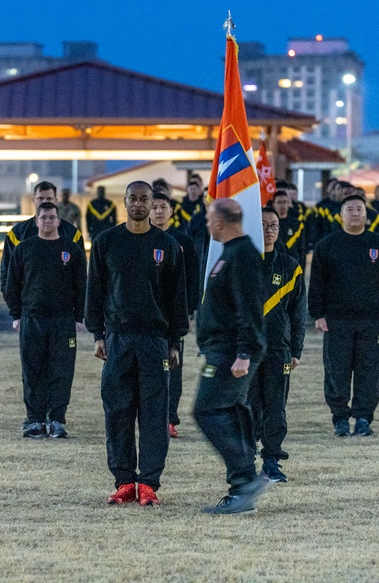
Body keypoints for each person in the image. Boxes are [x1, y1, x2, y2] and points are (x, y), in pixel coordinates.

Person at [86, 181, 188, 508]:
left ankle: (148, 483)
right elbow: (95, 292)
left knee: (154, 413)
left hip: (155, 340)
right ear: (125, 201)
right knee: (117, 410)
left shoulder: (167, 245)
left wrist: (175, 341)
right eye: (134, 199)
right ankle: (124, 481)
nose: (140, 204)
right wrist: (97, 334)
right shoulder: (107, 242)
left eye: (146, 199)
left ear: (152, 202)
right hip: (117, 338)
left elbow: (177, 298)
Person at [192, 198, 269, 515]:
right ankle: (244, 484)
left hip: (231, 351)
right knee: (234, 411)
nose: (207, 225)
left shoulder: (243, 256)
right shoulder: (231, 253)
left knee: (207, 410)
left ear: (221, 222)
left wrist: (243, 352)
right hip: (223, 347)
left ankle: (245, 482)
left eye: (210, 219)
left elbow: (248, 310)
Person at [309, 193, 379, 437]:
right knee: (336, 371)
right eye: (350, 209)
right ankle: (340, 417)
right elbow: (317, 283)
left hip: (371, 321)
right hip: (337, 321)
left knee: (368, 371)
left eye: (360, 209)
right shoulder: (327, 246)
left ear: (366, 214)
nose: (356, 213)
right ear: (341, 215)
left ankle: (363, 418)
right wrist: (317, 314)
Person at [5, 202, 87, 439]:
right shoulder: (24, 249)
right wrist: (16, 314)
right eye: (44, 218)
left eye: (52, 217)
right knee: (32, 370)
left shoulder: (71, 250)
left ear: (59, 221)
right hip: (32, 319)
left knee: (61, 371)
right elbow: (13, 284)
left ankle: (58, 420)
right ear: (36, 220)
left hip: (63, 321)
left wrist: (78, 317)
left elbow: (82, 286)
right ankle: (35, 420)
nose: (48, 221)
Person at [248, 206, 306, 484]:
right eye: (263, 225)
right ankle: (245, 461)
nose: (269, 230)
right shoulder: (241, 262)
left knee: (275, 407)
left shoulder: (290, 266)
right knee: (248, 406)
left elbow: (298, 312)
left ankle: (271, 460)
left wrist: (296, 350)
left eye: (274, 226)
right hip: (246, 350)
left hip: (278, 349)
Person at [149, 192, 200, 438]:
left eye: (163, 207)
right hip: (146, 317)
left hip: (173, 315)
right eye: (155, 207)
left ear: (171, 211)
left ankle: (170, 418)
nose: (159, 211)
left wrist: (188, 313)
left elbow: (192, 281)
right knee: (146, 370)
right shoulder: (140, 239)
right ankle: (149, 418)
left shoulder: (184, 242)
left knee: (173, 366)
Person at [0, 181, 84, 297]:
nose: (44, 202)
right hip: (28, 308)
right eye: (40, 198)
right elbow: (7, 272)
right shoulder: (17, 234)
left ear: (55, 201)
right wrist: (15, 308)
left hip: (64, 308)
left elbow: (81, 275)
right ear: (33, 200)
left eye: (49, 199)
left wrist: (77, 309)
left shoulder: (72, 235)